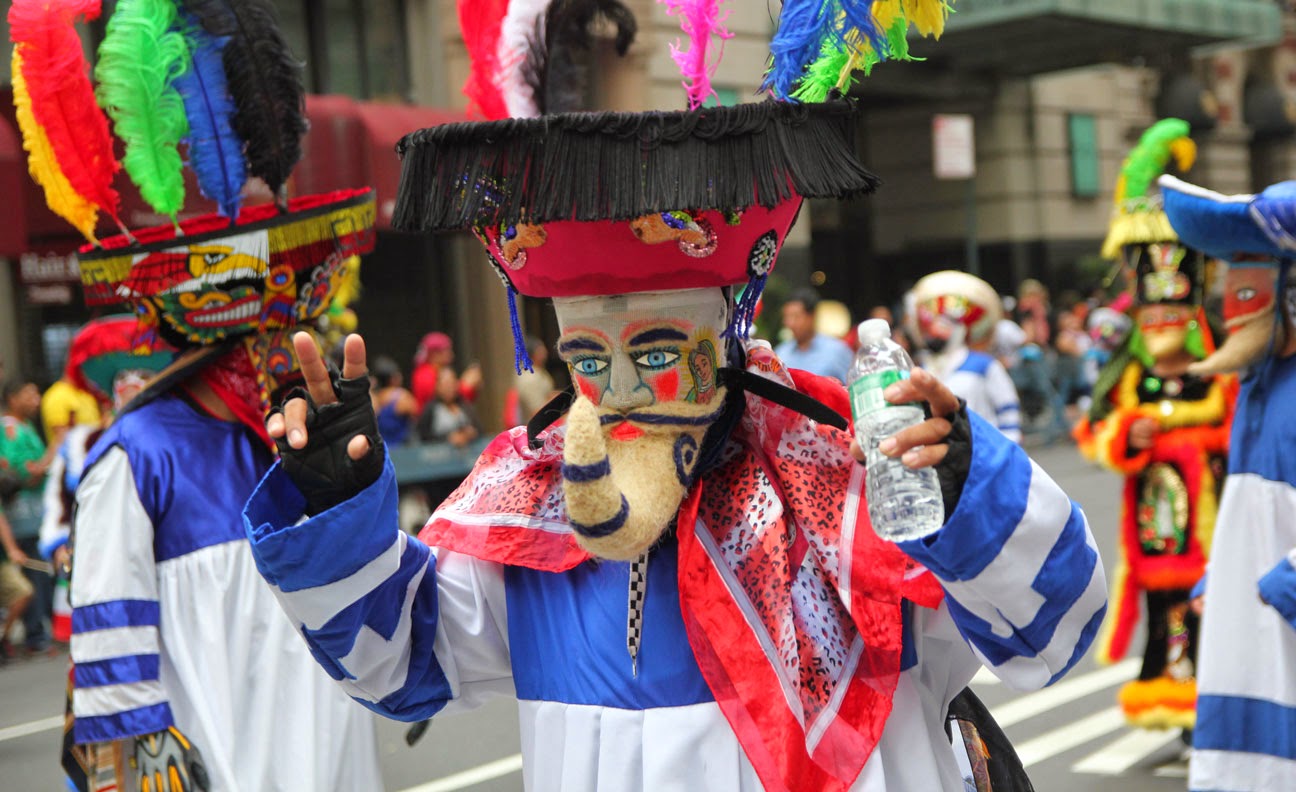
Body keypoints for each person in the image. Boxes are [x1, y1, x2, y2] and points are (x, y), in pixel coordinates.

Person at [243, 8, 1105, 788]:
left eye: (655, 352)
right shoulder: (531, 504)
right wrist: (337, 504)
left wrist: (963, 485)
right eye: (586, 356)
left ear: (722, 341)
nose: (615, 392)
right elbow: (396, 668)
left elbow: (1056, 629)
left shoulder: (851, 472)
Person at [8, 1, 385, 787]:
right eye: (277, 336)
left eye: (301, 326)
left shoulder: (311, 441)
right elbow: (108, 635)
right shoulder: (138, 456)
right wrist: (142, 759)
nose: (292, 350)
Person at [1073, 120, 1235, 732]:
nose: (1163, 319)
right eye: (1154, 309)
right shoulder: (1126, 373)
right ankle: (1177, 702)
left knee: (1217, 609)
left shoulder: (1221, 367)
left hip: (1213, 512)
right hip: (1156, 521)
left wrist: (1186, 432)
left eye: (1175, 308)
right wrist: (1125, 436)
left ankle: (1219, 707)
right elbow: (1095, 435)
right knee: (1167, 607)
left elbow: (1244, 433)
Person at [1160, 175, 1296, 792]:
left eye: (1248, 286)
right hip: (1249, 638)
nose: (1229, 307)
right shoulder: (1254, 382)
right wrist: (1226, 575)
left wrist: (1283, 582)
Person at [909, 271, 1022, 443]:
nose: (935, 333)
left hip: (984, 451)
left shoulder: (984, 364)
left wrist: (1009, 447)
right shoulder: (921, 370)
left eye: (943, 326)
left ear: (959, 330)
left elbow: (1008, 408)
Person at [1, 378, 52, 654]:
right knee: (31, 576)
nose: (37, 399)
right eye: (29, 394)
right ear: (13, 399)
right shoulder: (8, 429)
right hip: (20, 516)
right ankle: (35, 634)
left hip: (32, 514)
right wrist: (54, 451)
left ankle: (38, 631)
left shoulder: (25, 426)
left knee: (38, 575)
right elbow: (21, 472)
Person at [775, 288, 854, 382]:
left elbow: (854, 387)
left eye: (796, 316)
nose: (790, 323)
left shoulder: (837, 351)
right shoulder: (781, 353)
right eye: (786, 317)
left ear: (812, 316)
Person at [417, 367, 481, 448]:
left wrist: (471, 434)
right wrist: (447, 438)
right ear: (437, 386)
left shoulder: (465, 406)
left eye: (452, 384)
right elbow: (422, 436)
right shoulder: (430, 409)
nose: (449, 388)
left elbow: (480, 430)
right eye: (445, 384)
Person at [371, 355, 420, 446]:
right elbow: (415, 410)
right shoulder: (401, 395)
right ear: (393, 378)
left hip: (382, 448)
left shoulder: (373, 397)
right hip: (401, 448)